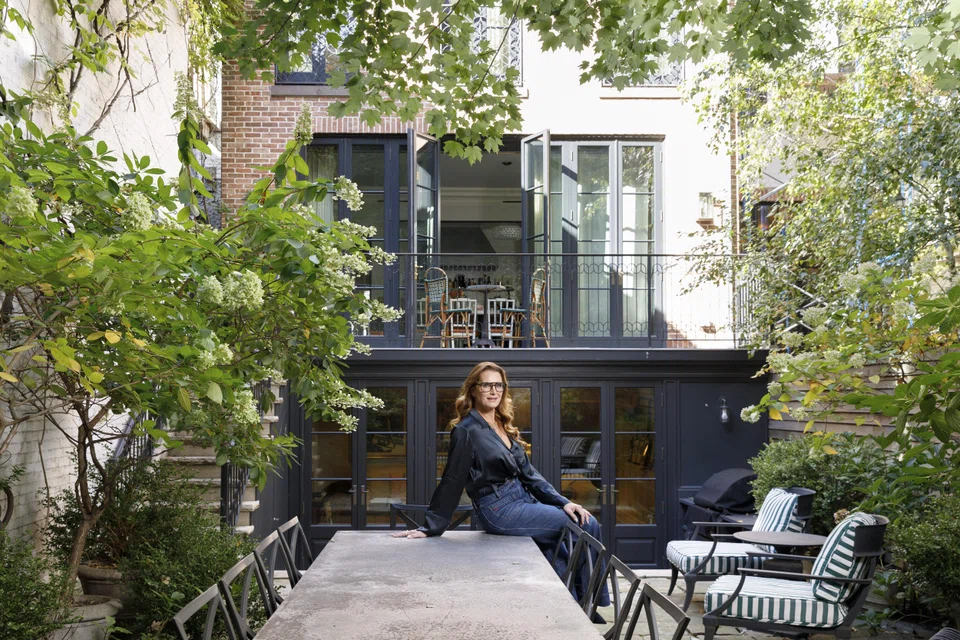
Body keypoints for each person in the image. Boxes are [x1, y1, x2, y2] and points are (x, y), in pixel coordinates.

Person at [392, 361, 609, 610]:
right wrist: (431, 527)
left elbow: (530, 475)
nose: (494, 391)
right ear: (473, 389)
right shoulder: (466, 430)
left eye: (499, 385)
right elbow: (452, 479)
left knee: (564, 538)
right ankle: (589, 601)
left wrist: (565, 502)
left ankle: (568, 602)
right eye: (487, 385)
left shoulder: (502, 425)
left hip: (522, 500)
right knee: (587, 524)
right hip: (498, 509)